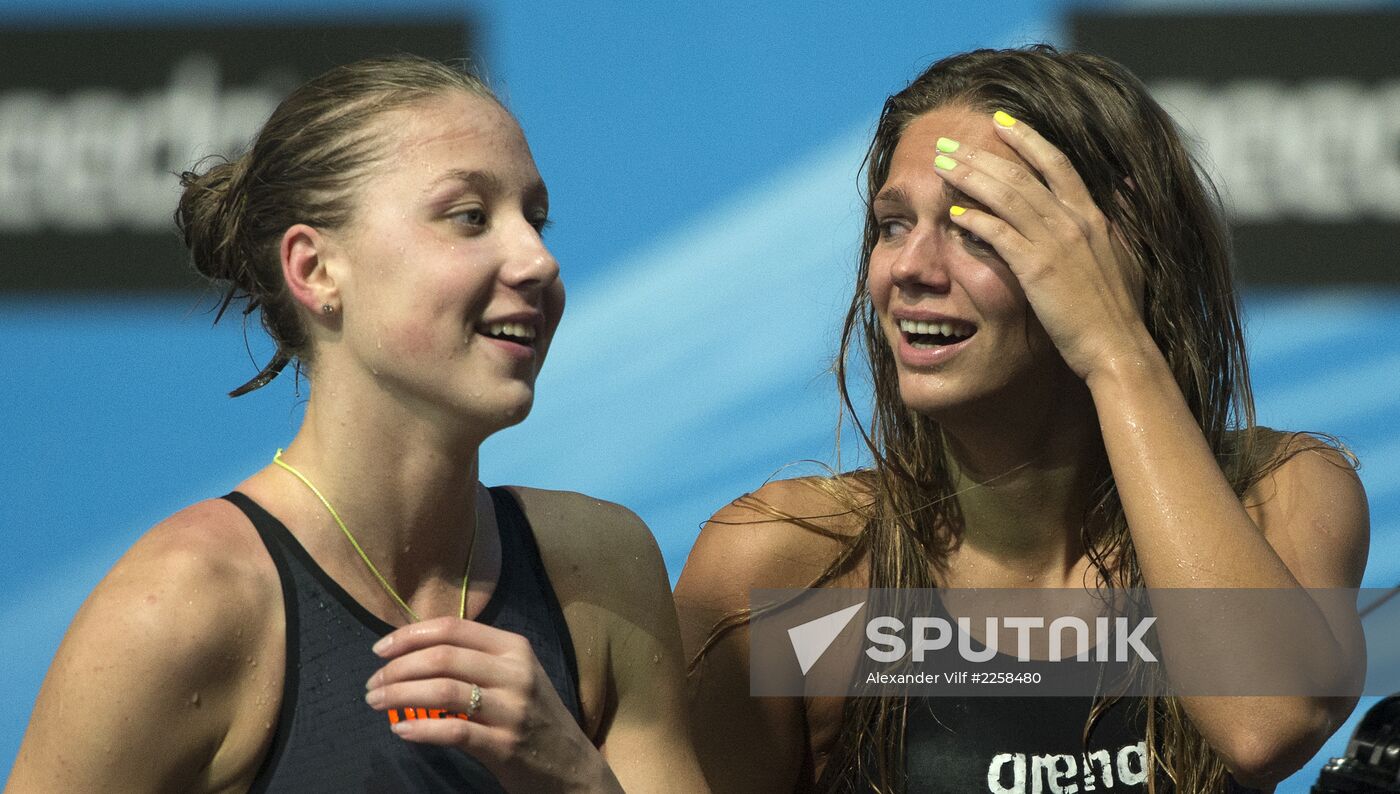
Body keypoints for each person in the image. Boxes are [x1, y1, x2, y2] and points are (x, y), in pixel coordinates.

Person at [675, 45, 1369, 794]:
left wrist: (1117, 351)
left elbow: (1265, 724)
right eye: (892, 224)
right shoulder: (794, 569)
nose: (908, 267)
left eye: (977, 229)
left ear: (1109, 252)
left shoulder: (1279, 495)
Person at [7, 55, 704, 793]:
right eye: (470, 217)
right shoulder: (182, 607)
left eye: (535, 219)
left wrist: (576, 778)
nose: (537, 259)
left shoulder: (601, 571)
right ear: (315, 271)